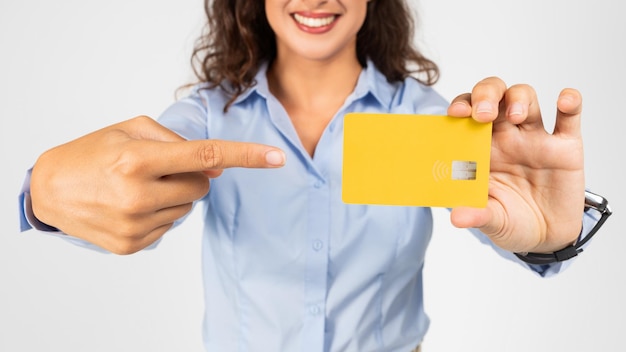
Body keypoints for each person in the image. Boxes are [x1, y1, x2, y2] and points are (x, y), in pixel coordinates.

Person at [18, 0, 609, 351]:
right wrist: (42, 196)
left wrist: (555, 236)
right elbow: (127, 180)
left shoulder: (431, 118)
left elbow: (524, 229)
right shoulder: (204, 116)